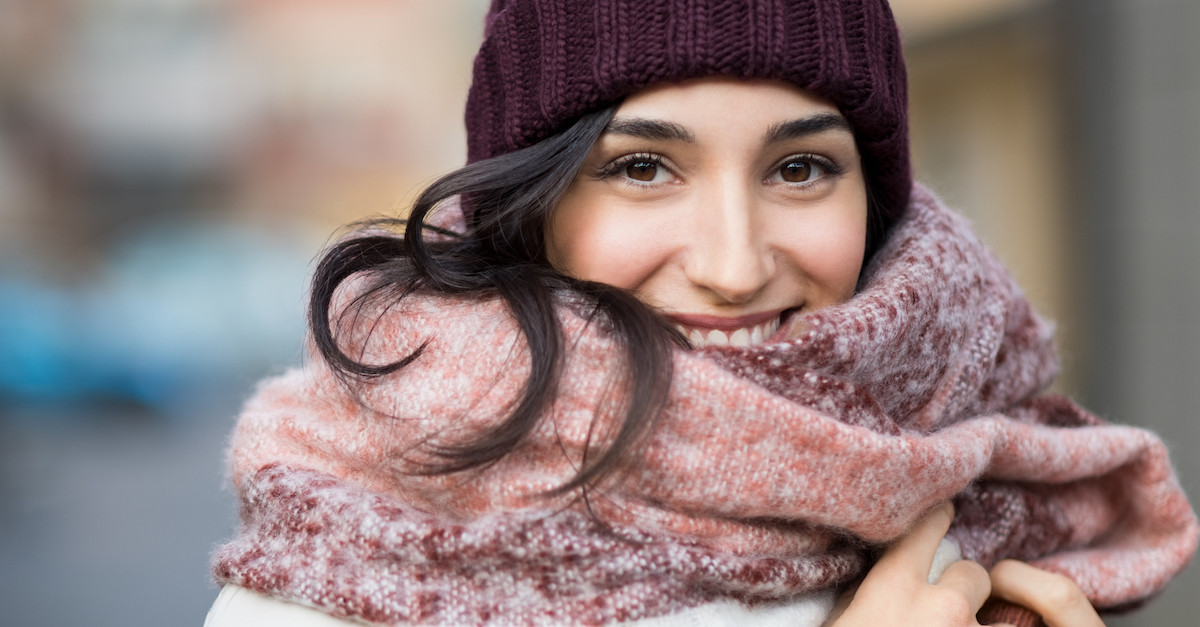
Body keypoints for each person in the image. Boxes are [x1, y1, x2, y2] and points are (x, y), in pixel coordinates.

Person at [207, 1, 1198, 626]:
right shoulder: (352, 554)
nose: (732, 263)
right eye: (643, 168)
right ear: (533, 204)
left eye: (801, 167)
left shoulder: (997, 487)